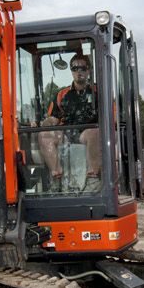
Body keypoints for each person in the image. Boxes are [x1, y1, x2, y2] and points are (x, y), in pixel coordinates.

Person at [38, 52, 101, 191]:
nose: (79, 72)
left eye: (83, 68)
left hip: (86, 134)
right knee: (44, 135)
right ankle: (56, 178)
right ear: (71, 71)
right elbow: (53, 118)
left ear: (89, 70)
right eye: (75, 68)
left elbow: (112, 117)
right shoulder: (62, 94)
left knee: (94, 133)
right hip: (65, 134)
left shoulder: (99, 92)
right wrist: (46, 122)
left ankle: (93, 179)